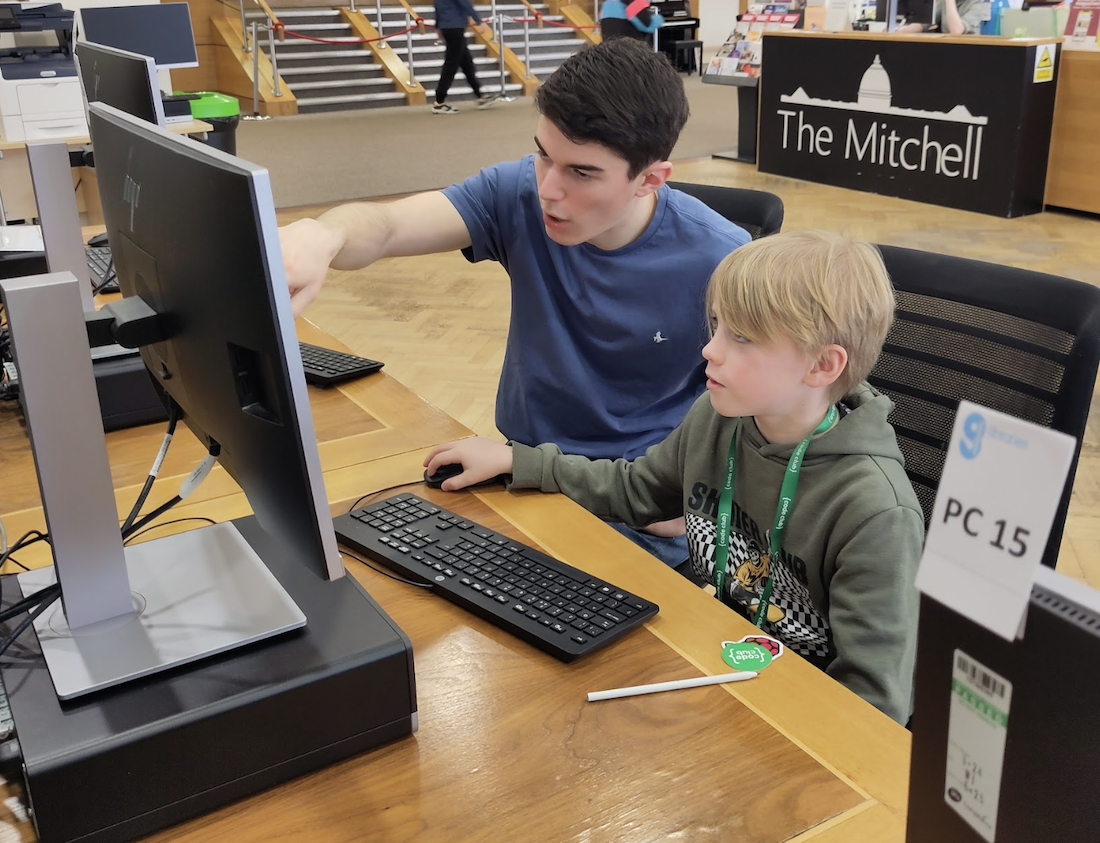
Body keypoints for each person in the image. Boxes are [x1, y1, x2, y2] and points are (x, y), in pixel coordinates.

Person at [279, 38, 751, 570]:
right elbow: (387, 227)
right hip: (513, 473)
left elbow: (767, 417)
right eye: (544, 154)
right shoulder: (517, 193)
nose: (548, 187)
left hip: (632, 511)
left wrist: (692, 505)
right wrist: (325, 234)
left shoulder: (724, 261)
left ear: (649, 180)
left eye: (581, 172)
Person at [422, 230, 925, 723]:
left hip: (797, 714)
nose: (710, 350)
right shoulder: (717, 416)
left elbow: (872, 702)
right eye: (716, 326)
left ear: (822, 365)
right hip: (712, 657)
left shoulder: (875, 512)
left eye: (742, 338)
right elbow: (635, 491)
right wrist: (519, 461)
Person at [431, 0, 497, 114]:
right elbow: (465, 3)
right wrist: (478, 21)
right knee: (451, 65)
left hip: (447, 27)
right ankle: (439, 101)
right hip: (455, 26)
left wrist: (438, 25)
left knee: (466, 62)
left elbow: (437, 6)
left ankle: (480, 95)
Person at [895, 0, 983, 34]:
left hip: (969, 53)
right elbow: (922, 24)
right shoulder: (945, 3)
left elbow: (956, 31)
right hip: (946, 52)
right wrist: (897, 32)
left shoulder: (978, 3)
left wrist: (950, 1)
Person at [599, 0, 665, 43]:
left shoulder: (606, 3)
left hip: (610, 51)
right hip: (630, 52)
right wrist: (658, 19)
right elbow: (646, 24)